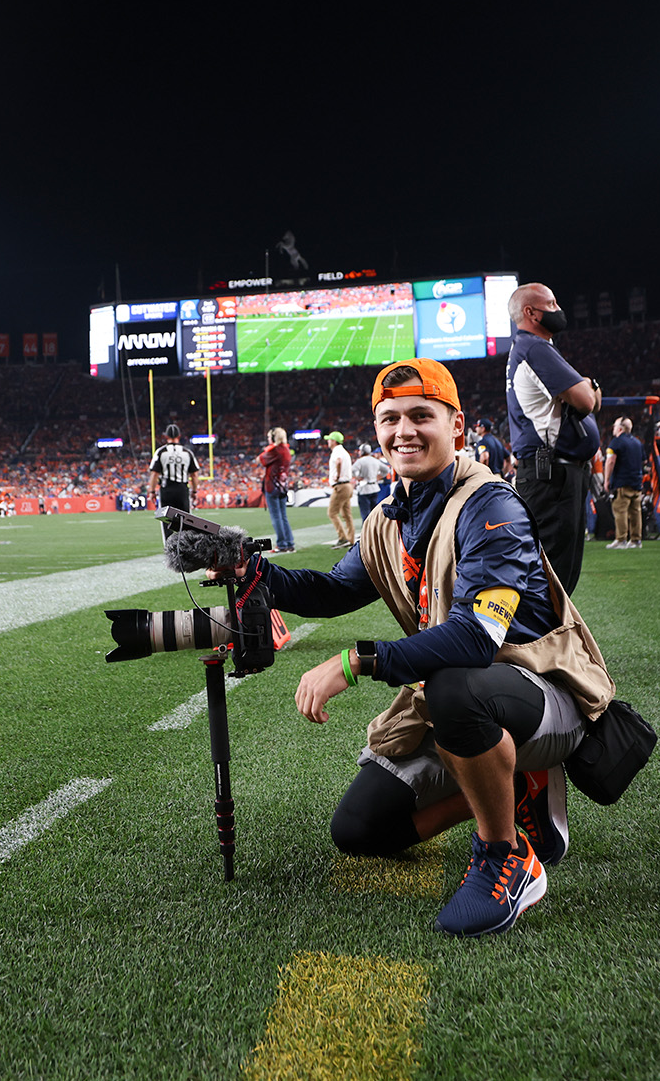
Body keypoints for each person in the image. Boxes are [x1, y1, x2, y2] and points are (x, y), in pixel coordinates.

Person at [232, 358, 615, 937]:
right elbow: (335, 589)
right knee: (360, 830)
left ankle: (505, 858)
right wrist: (250, 570)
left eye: (420, 415)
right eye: (390, 419)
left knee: (454, 684)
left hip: (541, 691)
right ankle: (508, 786)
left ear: (455, 426)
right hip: (464, 695)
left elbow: (474, 637)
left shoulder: (492, 505)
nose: (403, 430)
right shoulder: (391, 515)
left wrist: (354, 661)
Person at [504, 282, 600, 595]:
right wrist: (589, 384)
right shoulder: (534, 348)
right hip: (552, 473)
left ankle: (544, 638)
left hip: (551, 471)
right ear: (531, 312)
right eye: (552, 303)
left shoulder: (531, 348)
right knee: (553, 568)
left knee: (555, 566)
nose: (558, 309)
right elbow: (587, 401)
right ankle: (537, 640)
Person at [603, 417, 647, 550]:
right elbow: (644, 462)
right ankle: (636, 540)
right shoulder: (637, 442)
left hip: (622, 482)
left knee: (620, 511)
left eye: (615, 425)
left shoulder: (616, 442)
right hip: (636, 483)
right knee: (635, 512)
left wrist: (606, 480)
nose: (613, 428)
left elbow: (611, 461)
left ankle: (621, 539)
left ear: (620, 428)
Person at [149, 423, 201, 521]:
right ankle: (184, 537)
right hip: (182, 489)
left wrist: (152, 491)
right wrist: (194, 491)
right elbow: (194, 475)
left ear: (166, 436)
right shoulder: (187, 452)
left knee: (167, 520)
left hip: (166, 489)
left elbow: (154, 474)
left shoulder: (161, 452)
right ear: (179, 436)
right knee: (185, 522)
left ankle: (169, 537)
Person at [257, 427, 296, 552]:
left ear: (274, 437)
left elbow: (260, 460)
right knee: (283, 516)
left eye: (270, 437)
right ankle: (289, 543)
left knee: (276, 517)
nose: (268, 439)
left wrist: (268, 449)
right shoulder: (286, 450)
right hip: (283, 486)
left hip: (272, 486)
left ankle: (282, 544)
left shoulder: (275, 450)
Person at [324, 431, 356, 548]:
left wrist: (337, 475)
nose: (328, 441)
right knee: (347, 514)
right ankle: (351, 539)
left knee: (332, 513)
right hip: (348, 485)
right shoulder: (344, 452)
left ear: (334, 441)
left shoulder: (337, 451)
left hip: (341, 486)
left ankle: (342, 538)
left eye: (329, 439)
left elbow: (338, 461)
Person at [352, 444, 388, 519]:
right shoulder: (375, 460)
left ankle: (366, 529)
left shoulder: (360, 461)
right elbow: (386, 470)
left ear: (362, 451)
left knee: (365, 513)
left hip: (364, 488)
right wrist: (379, 477)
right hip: (374, 487)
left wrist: (357, 477)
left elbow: (352, 470)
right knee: (374, 512)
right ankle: (375, 529)